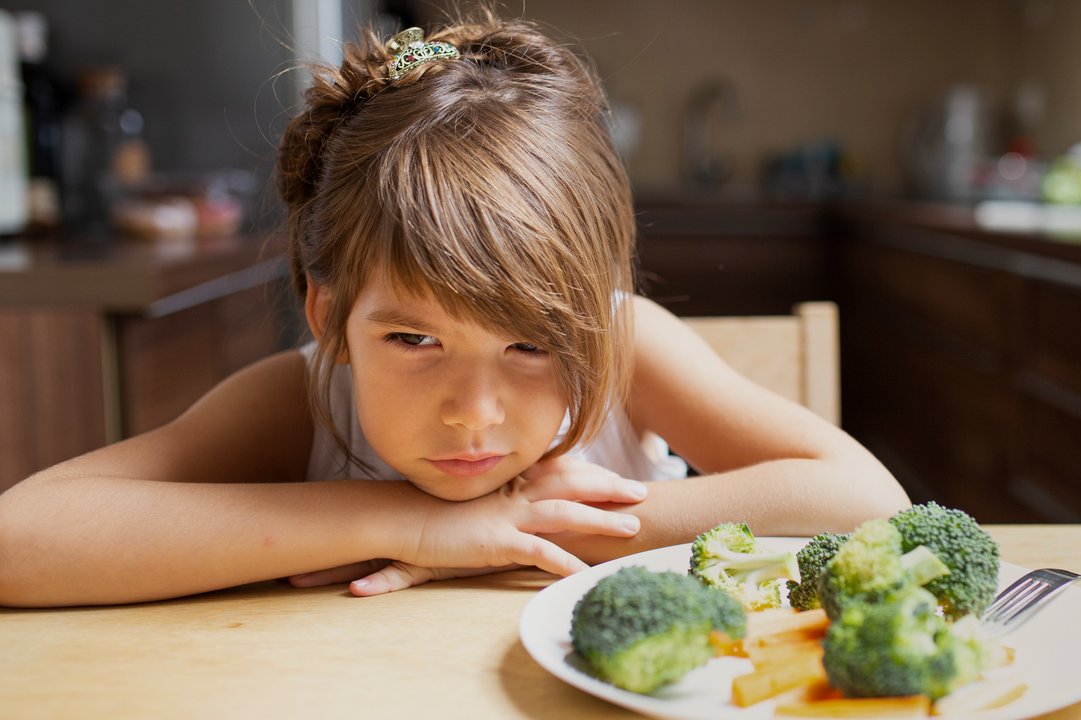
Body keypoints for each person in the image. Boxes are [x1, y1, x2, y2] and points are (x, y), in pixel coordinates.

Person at [0, 11, 908, 608]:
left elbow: (867, 499)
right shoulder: (300, 401)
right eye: (413, 337)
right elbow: (20, 540)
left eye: (532, 345)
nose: (473, 414)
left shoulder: (629, 344)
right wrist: (413, 523)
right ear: (327, 316)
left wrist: (535, 529)